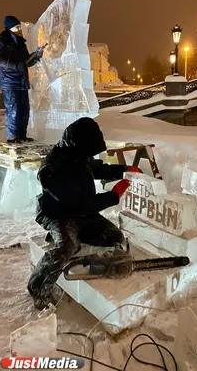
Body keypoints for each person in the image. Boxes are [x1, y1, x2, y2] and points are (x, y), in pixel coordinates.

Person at [27, 117, 142, 310]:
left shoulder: (77, 154)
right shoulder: (52, 169)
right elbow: (79, 204)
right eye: (89, 152)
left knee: (113, 236)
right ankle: (37, 288)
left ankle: (75, 235)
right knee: (67, 247)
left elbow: (96, 168)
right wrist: (114, 195)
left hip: (83, 212)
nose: (90, 157)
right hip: (59, 213)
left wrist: (124, 170)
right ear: (78, 146)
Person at [0, 16, 45, 143]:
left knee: (24, 109)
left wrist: (36, 56)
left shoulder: (20, 43)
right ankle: (12, 137)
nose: (19, 29)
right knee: (14, 109)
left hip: (22, 80)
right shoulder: (2, 41)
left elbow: (26, 62)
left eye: (19, 26)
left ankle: (22, 135)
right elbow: (0, 60)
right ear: (9, 27)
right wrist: (15, 65)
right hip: (9, 81)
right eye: (16, 27)